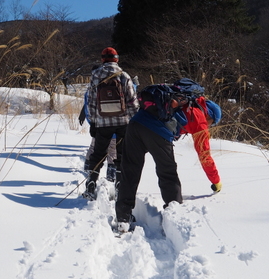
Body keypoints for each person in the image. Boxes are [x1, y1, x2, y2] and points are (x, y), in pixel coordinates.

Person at [114, 84, 187, 233]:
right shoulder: (183, 100)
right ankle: (174, 210)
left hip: (135, 125)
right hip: (157, 131)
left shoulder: (159, 94)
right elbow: (182, 122)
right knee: (167, 171)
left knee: (129, 170)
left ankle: (123, 217)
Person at [82, 47, 138, 200]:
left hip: (102, 123)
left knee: (98, 154)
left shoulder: (96, 75)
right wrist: (134, 121)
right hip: (123, 123)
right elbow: (132, 102)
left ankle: (91, 183)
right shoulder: (124, 76)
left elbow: (91, 102)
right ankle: (119, 185)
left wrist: (93, 122)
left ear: (102, 59)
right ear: (117, 59)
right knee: (121, 155)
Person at [175, 81, 223, 193]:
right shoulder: (200, 120)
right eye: (212, 123)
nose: (209, 126)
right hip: (157, 133)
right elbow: (204, 155)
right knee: (168, 169)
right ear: (209, 116)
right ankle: (173, 202)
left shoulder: (191, 105)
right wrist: (216, 181)